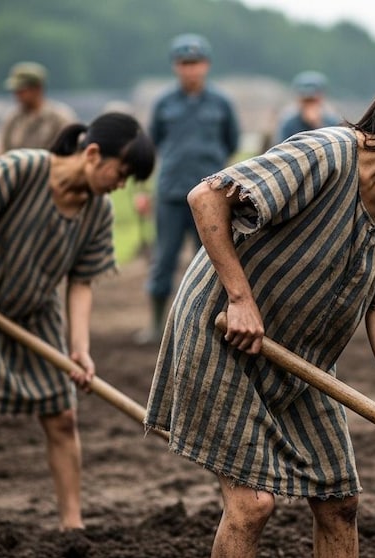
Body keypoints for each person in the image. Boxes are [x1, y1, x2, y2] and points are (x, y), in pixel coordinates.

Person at [143, 72, 375, 558]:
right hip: (222, 338)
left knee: (340, 500)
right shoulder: (327, 153)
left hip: (299, 361)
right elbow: (206, 196)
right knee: (253, 504)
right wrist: (239, 298)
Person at [0, 113, 155, 537]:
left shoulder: (96, 212)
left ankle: (72, 525)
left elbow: (81, 283)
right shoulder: (24, 168)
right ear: (94, 154)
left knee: (63, 415)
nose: (122, 185)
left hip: (37, 314)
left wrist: (79, 348)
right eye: (122, 173)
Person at [136, 33, 240, 345]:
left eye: (195, 63)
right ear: (175, 67)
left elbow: (231, 143)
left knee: (211, 260)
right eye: (184, 64)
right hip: (170, 194)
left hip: (210, 197)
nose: (190, 70)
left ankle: (206, 325)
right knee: (163, 260)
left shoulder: (221, 103)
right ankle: (156, 326)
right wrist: (143, 190)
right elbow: (151, 144)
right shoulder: (164, 104)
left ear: (205, 65)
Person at [0, 61, 78, 153]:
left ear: (37, 88)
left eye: (22, 90)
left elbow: (72, 151)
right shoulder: (12, 119)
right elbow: (1, 150)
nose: (17, 94)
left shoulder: (60, 117)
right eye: (16, 90)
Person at [276, 70, 342, 143]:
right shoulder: (289, 123)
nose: (310, 105)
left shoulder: (332, 122)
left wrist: (317, 124)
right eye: (306, 101)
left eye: (313, 101)